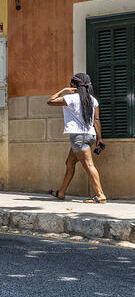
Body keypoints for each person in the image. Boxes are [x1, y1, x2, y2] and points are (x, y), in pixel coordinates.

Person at [47, 73, 107, 203]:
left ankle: (100, 195)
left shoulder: (71, 98)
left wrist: (63, 91)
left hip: (78, 137)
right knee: (70, 163)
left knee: (88, 165)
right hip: (90, 135)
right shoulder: (92, 100)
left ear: (74, 85)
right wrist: (99, 139)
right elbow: (96, 119)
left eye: (71, 84)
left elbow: (50, 101)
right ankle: (61, 192)